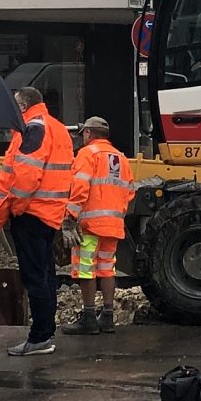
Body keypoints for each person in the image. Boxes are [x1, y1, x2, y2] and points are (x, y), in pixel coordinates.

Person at [0, 86, 74, 358]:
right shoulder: (56, 128)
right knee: (45, 274)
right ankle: (45, 333)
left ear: (25, 105)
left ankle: (40, 337)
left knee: (35, 276)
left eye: (16, 104)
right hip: (49, 214)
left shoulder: (33, 128)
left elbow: (27, 176)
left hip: (31, 213)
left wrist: (14, 207)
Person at [64, 116, 133, 336]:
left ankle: (89, 317)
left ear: (88, 133)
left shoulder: (87, 154)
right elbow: (130, 191)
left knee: (86, 269)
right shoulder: (121, 158)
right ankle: (108, 317)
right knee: (106, 268)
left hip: (90, 224)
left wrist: (70, 216)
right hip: (113, 224)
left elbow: (80, 187)